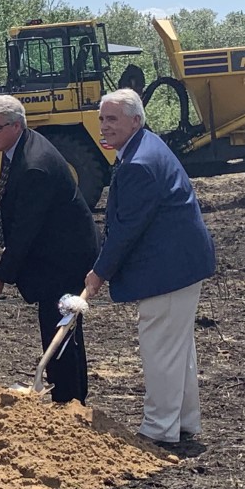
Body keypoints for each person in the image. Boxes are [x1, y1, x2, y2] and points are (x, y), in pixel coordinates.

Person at [85, 88, 216, 446]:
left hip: (168, 271)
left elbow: (127, 228)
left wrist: (99, 273)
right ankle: (183, 421)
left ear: (135, 121)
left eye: (112, 119)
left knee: (161, 349)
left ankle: (159, 429)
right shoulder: (145, 146)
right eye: (102, 118)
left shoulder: (139, 163)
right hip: (181, 264)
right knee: (177, 349)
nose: (105, 126)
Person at [0, 95, 99, 402]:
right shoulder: (19, 148)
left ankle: (68, 400)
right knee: (62, 328)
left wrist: (0, 276)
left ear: (16, 125)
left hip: (64, 257)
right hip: (52, 252)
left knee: (60, 328)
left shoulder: (34, 165)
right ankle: (69, 396)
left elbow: (25, 230)